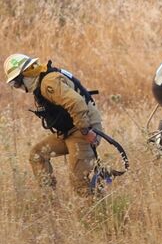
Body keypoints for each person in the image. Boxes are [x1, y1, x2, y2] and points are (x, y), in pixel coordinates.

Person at [4, 53, 103, 195]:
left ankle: (97, 212)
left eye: (17, 82)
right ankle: (50, 201)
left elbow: (77, 102)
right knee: (37, 155)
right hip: (69, 130)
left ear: (25, 74)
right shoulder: (41, 81)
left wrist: (86, 131)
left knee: (79, 181)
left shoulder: (48, 83)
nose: (18, 87)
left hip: (83, 128)